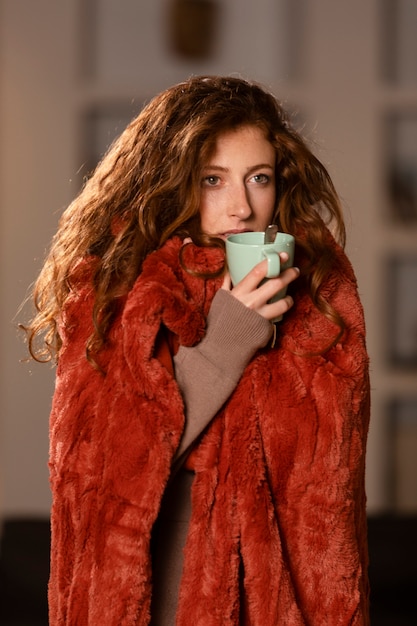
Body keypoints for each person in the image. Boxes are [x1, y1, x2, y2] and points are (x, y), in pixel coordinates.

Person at [24, 75, 370, 625]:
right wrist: (229, 337)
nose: (241, 206)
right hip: (161, 598)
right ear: (173, 179)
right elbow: (112, 471)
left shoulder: (320, 289)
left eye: (259, 178)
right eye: (214, 179)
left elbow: (332, 502)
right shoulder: (119, 285)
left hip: (281, 601)